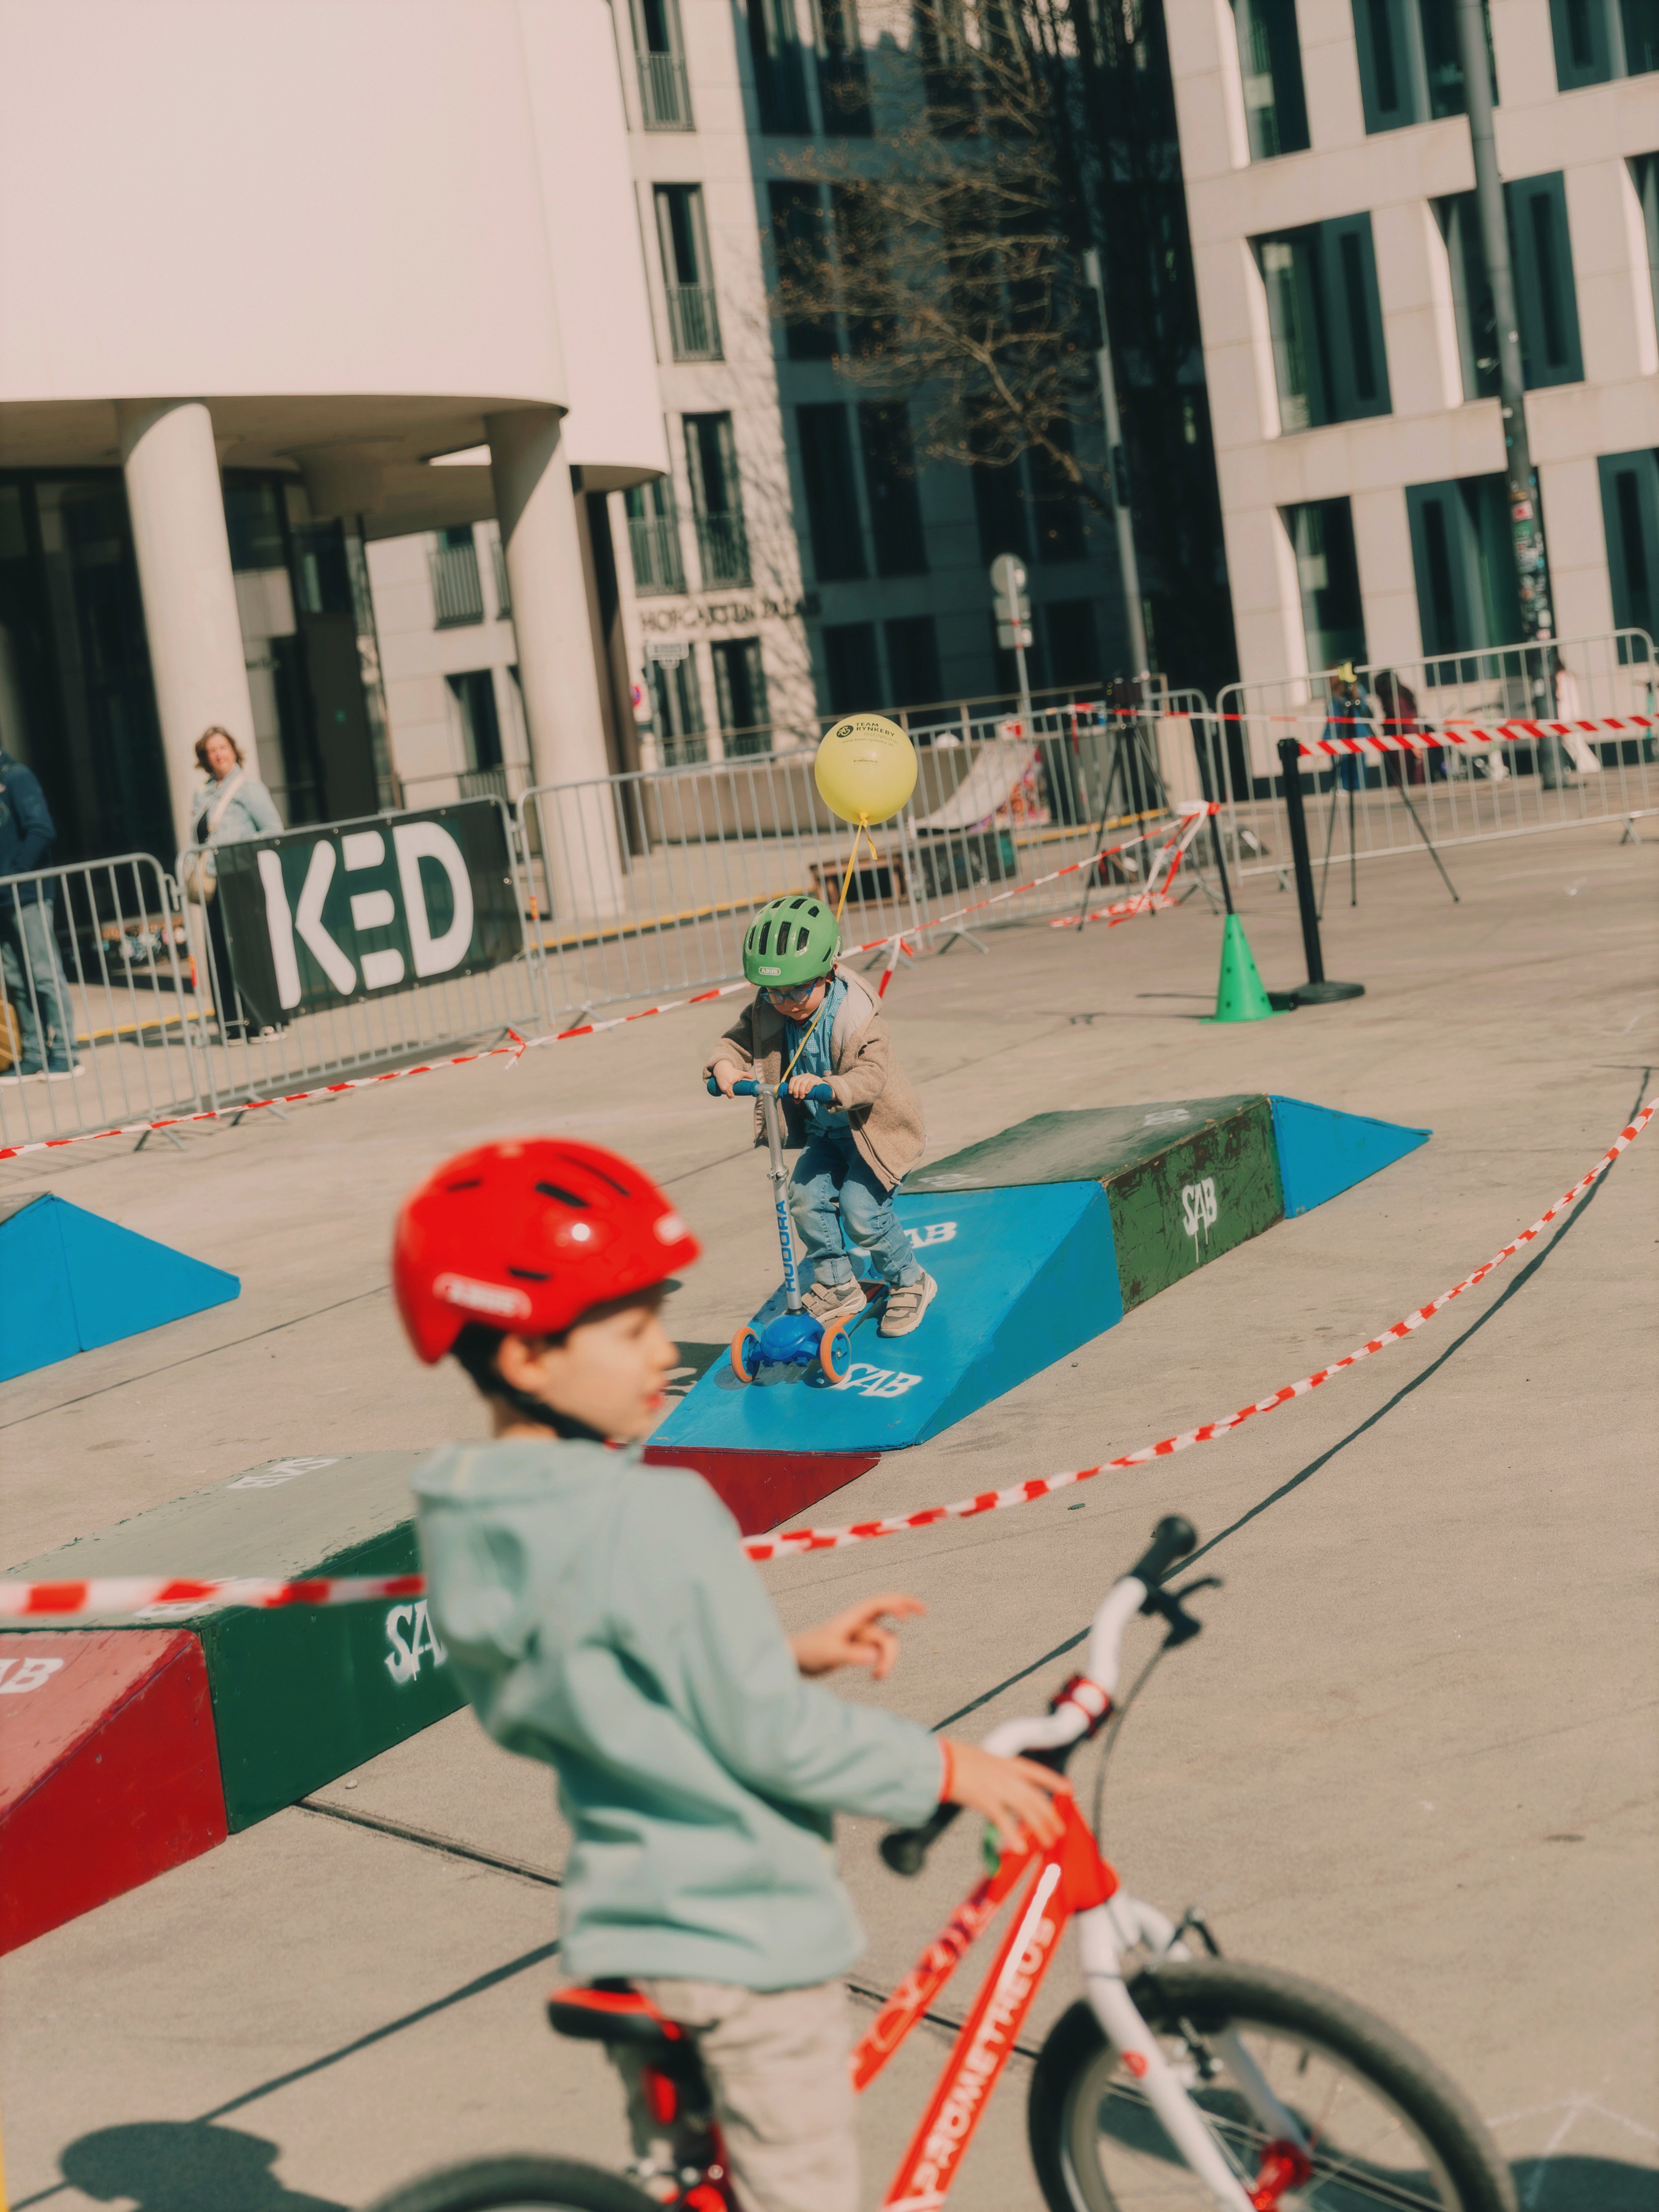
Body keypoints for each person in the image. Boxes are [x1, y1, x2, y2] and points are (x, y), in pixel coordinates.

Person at [396, 1141, 1067, 2212]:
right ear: (525, 1357)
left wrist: (778, 1650)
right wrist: (949, 1770)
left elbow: (586, 1677)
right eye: (631, 1330)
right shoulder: (653, 1514)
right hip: (741, 1940)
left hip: (626, 1931)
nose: (667, 1353)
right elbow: (771, 1736)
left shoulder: (472, 1516)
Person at [708, 893, 933, 1339]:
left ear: (829, 970)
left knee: (861, 1212)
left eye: (798, 990)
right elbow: (735, 1041)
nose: (787, 1002)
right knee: (804, 1200)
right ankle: (837, 1286)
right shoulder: (769, 1008)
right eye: (775, 992)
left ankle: (910, 1280)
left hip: (875, 1135)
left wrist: (831, 1086)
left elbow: (872, 1076)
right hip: (826, 1135)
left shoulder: (858, 1018)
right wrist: (723, 1067)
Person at [185, 727, 280, 1039]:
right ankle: (232, 1023)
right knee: (219, 951)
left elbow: (273, 829)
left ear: (234, 751)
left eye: (223, 747)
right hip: (214, 881)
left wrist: (242, 850)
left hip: (240, 875)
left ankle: (264, 1019)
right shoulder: (202, 793)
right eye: (211, 750)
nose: (218, 754)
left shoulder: (248, 788)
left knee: (250, 948)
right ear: (205, 757)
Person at [0, 745, 81, 1081]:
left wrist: (12, 875)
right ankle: (34, 1053)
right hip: (4, 899)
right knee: (16, 979)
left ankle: (66, 1052)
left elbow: (42, 829)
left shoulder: (17, 777)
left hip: (27, 894)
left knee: (44, 972)